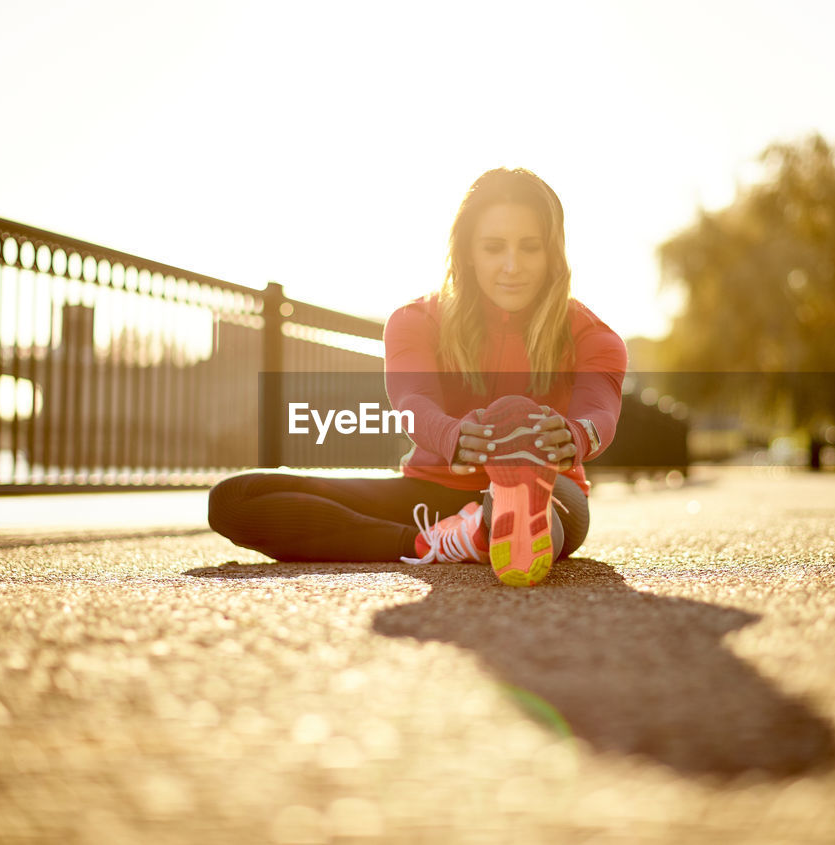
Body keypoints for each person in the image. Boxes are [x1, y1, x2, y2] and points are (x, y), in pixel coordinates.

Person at [208, 167, 627, 586]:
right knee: (232, 500)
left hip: (557, 494)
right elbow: (413, 403)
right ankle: (443, 541)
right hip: (432, 492)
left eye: (530, 248)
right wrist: (454, 437)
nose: (512, 266)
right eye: (494, 247)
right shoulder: (416, 321)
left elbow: (599, 409)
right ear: (467, 252)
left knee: (548, 504)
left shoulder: (591, 335)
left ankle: (500, 518)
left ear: (553, 253)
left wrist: (576, 434)